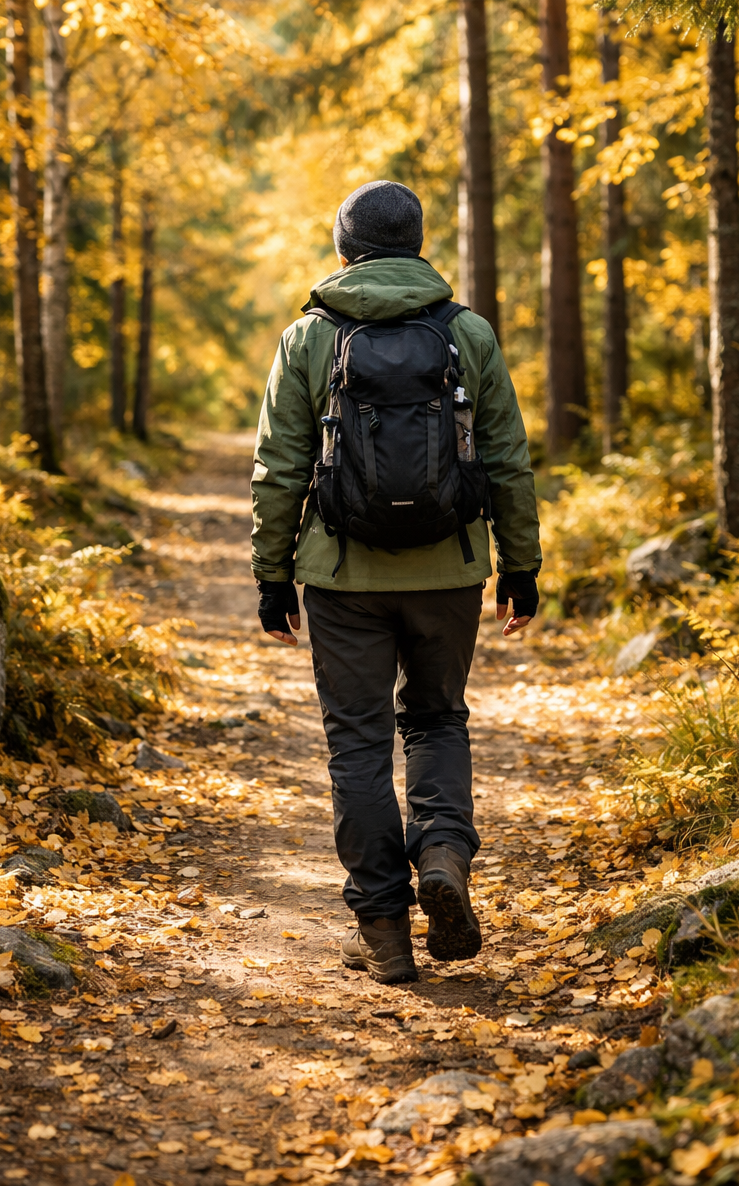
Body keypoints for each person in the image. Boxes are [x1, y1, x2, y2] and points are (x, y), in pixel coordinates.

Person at [250, 180, 541, 984]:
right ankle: (443, 856)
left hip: (341, 576)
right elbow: (508, 460)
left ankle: (384, 932)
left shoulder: (308, 336)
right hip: (449, 568)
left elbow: (278, 470)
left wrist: (272, 577)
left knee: (359, 742)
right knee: (439, 719)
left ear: (344, 249)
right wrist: (521, 565)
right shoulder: (467, 332)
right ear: (417, 246)